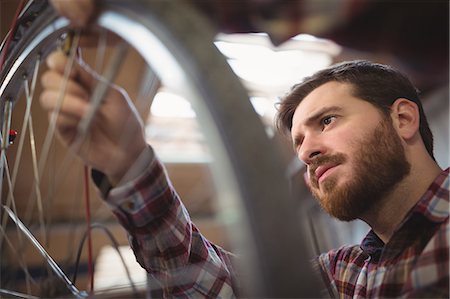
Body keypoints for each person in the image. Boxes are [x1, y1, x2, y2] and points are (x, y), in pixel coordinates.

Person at [40, 0, 449, 297]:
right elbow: (219, 285)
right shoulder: (346, 275)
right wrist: (130, 163)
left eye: (327, 120)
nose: (306, 153)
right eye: (299, 143)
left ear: (403, 120)